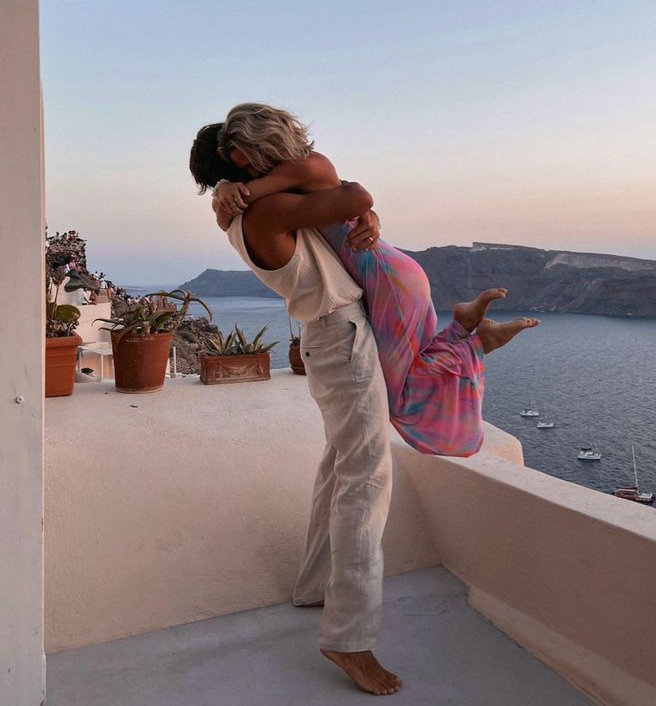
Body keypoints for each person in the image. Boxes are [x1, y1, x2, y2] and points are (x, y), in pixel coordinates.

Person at [190, 105, 540, 458]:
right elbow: (339, 197)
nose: (251, 172)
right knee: (407, 371)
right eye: (244, 168)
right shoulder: (292, 181)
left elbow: (355, 198)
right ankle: (465, 330)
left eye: (250, 162)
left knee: (399, 395)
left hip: (385, 275)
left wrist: (223, 190)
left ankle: (475, 341)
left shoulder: (301, 167)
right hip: (389, 272)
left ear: (265, 142)